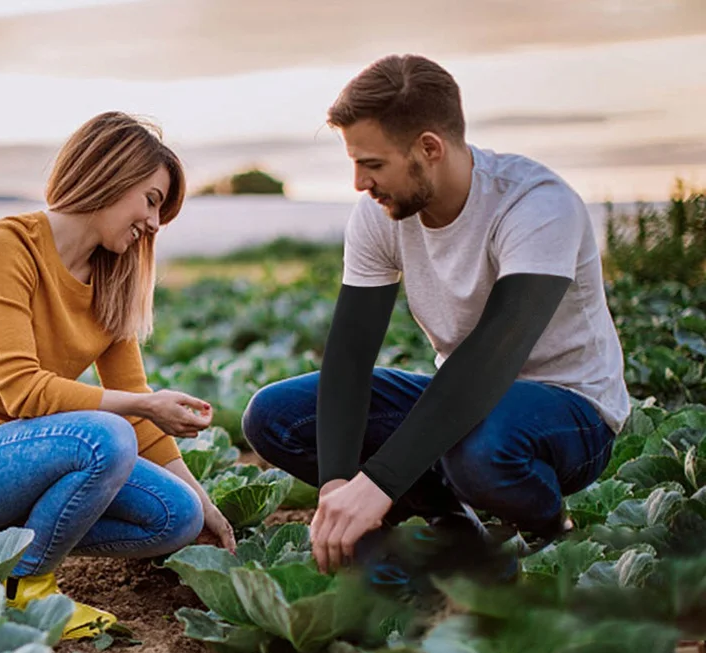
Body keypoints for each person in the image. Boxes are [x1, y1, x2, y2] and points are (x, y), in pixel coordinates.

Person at [242, 54, 629, 575]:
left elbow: (494, 355)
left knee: (478, 448)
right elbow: (352, 354)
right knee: (276, 416)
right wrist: (337, 480)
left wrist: (377, 483)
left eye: (372, 164)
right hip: (462, 406)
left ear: (429, 148)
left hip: (570, 412)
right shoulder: (380, 215)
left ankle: (549, 529)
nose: (359, 182)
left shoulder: (537, 205)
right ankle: (456, 527)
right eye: (354, 163)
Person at [0, 112, 236, 638]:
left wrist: (203, 503)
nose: (154, 224)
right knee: (106, 435)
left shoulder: (113, 282)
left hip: (22, 460)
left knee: (175, 515)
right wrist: (142, 408)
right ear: (110, 173)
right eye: (151, 200)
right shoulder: (6, 246)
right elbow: (23, 391)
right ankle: (30, 589)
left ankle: (1, 545)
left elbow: (137, 402)